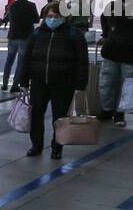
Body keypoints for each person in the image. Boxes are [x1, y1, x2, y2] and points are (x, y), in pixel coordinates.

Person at [19, 8, 88, 160]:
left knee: (60, 118)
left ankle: (57, 147)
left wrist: (80, 85)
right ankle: (36, 145)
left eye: (57, 16)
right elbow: (26, 58)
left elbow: (83, 62)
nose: (52, 19)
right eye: (49, 16)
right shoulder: (37, 34)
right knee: (36, 115)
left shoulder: (74, 34)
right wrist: (23, 80)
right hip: (39, 82)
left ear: (64, 17)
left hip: (64, 84)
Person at [2, 0, 39, 92]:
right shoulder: (31, 5)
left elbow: (6, 18)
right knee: (21, 62)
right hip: (25, 37)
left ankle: (4, 84)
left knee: (9, 60)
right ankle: (15, 85)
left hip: (12, 36)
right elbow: (36, 20)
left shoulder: (12, 6)